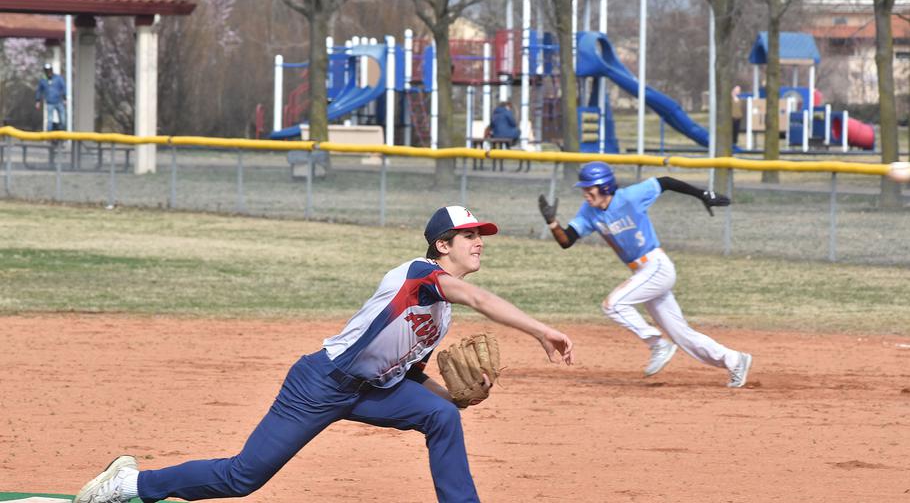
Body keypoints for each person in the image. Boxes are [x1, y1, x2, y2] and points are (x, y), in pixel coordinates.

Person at [74, 205, 575, 503]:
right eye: (470, 236)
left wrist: (455, 396)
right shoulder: (418, 276)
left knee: (442, 417)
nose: (479, 244)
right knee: (243, 476)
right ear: (443, 244)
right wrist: (540, 332)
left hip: (373, 391)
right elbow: (482, 300)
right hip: (320, 385)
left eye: (479, 238)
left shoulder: (439, 312)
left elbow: (408, 370)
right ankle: (131, 485)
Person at [537, 162, 752, 388]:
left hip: (657, 266)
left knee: (613, 305)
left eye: (589, 189)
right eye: (584, 189)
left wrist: (702, 194)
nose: (586, 194)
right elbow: (566, 240)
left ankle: (657, 343)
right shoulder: (589, 212)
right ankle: (735, 360)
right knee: (682, 334)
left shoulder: (630, 197)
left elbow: (666, 182)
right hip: (643, 273)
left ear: (605, 187)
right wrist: (552, 222)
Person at [35, 63, 66, 132]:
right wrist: (38, 101)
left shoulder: (58, 78)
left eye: (49, 70)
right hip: (49, 103)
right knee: (49, 120)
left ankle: (61, 133)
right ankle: (49, 136)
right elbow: (39, 91)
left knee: (63, 120)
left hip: (59, 102)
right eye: (46, 71)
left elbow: (63, 87)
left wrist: (64, 98)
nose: (48, 72)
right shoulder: (43, 80)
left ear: (51, 70)